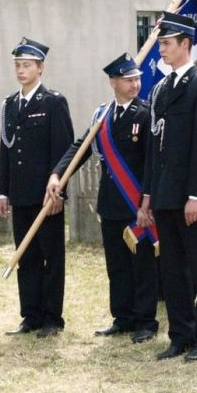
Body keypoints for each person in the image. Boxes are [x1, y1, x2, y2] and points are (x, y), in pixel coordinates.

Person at [47, 53, 159, 344]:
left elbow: (151, 162)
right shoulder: (103, 116)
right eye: (128, 80)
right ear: (113, 82)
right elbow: (80, 148)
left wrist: (148, 200)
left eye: (137, 79)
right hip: (111, 201)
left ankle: (145, 321)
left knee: (142, 264)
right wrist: (59, 174)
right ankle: (122, 317)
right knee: (117, 264)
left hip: (136, 203)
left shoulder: (146, 114)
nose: (135, 84)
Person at [137, 12, 197, 361]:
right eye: (160, 43)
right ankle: (181, 334)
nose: (162, 49)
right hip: (166, 194)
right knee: (172, 270)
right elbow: (153, 150)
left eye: (167, 43)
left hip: (191, 196)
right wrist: (147, 197)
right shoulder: (160, 89)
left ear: (186, 44)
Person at [0, 37, 74, 338]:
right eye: (17, 65)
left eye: (26, 65)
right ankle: (30, 315)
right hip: (20, 194)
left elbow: (64, 152)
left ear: (40, 68)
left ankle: (52, 318)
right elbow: (6, 151)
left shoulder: (53, 102)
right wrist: (4, 191)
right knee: (25, 256)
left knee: (51, 257)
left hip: (47, 196)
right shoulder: (9, 105)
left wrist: (60, 192)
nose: (20, 70)